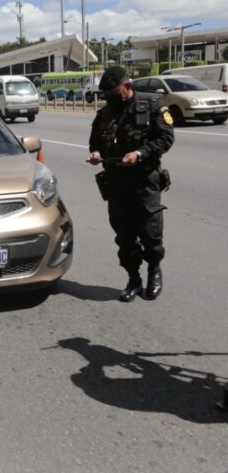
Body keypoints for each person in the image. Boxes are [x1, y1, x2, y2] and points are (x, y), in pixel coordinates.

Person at [86, 67, 175, 302]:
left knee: (151, 236)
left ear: (127, 86)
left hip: (144, 182)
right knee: (124, 237)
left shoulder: (152, 104)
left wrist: (141, 153)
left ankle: (154, 271)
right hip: (116, 184)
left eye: (114, 93)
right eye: (107, 95)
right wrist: (95, 153)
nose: (110, 98)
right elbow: (95, 142)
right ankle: (133, 279)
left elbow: (166, 137)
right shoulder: (105, 113)